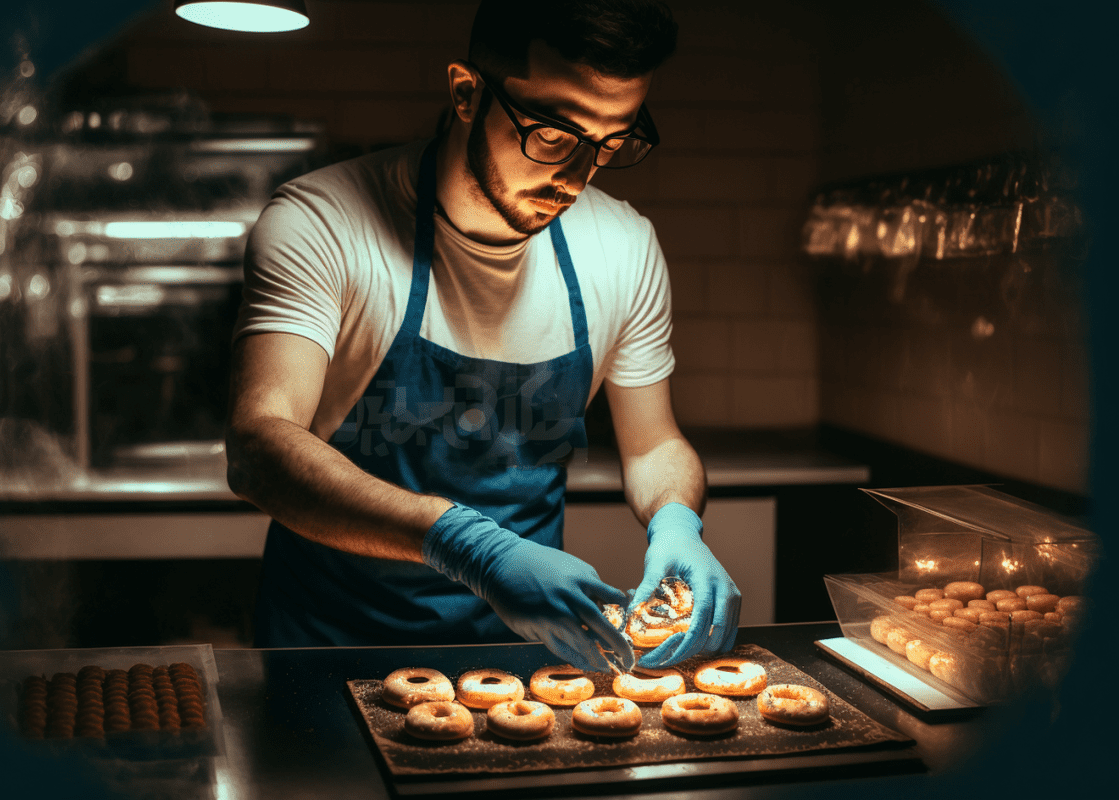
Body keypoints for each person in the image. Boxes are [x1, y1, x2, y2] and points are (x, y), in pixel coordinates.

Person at [226, 0, 741, 673]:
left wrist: (677, 521)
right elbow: (259, 444)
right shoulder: (324, 224)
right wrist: (472, 547)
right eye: (554, 135)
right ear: (467, 94)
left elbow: (654, 443)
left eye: (612, 143)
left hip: (530, 656)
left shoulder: (623, 247)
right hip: (327, 656)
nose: (577, 175)